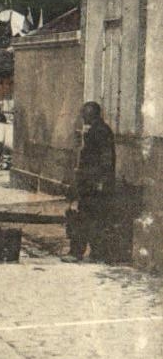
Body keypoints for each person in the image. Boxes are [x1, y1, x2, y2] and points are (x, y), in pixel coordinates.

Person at [66, 101, 118, 261]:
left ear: (92, 115)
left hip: (95, 183)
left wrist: (102, 181)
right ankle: (95, 253)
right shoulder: (96, 130)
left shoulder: (100, 131)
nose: (83, 118)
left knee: (87, 217)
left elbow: (106, 158)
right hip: (90, 182)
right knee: (92, 217)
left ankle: (79, 253)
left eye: (85, 115)